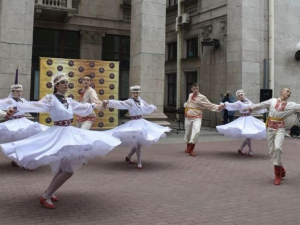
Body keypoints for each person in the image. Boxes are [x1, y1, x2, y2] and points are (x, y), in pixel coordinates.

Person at [0, 72, 121, 209]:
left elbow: (83, 108)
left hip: (69, 133)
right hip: (58, 133)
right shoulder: (50, 99)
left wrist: (98, 105)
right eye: (63, 82)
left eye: (67, 82)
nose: (66, 84)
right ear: (56, 85)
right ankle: (46, 197)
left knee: (64, 168)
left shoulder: (68, 101)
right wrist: (14, 108)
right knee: (68, 170)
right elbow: (34, 106)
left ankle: (49, 192)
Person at [103, 85, 171, 170]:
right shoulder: (130, 101)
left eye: (137, 93)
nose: (136, 94)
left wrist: (153, 108)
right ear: (131, 93)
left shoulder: (140, 101)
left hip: (141, 122)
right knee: (138, 144)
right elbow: (120, 103)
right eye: (134, 93)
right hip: (134, 124)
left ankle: (128, 157)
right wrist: (108, 102)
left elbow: (147, 107)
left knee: (138, 143)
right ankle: (139, 163)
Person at [244, 87, 300, 185]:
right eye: (287, 91)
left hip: (280, 129)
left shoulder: (292, 105)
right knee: (271, 151)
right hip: (269, 128)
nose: (289, 93)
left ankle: (277, 174)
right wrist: (251, 108)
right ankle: (281, 168)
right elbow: (261, 105)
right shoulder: (272, 101)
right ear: (281, 92)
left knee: (277, 148)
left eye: (290, 92)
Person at [0, 81, 48, 167]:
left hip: (23, 121)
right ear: (13, 92)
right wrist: (4, 114)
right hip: (13, 122)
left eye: (20, 91)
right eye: (17, 91)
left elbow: (32, 107)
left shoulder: (23, 100)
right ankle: (16, 158)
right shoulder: (9, 101)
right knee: (16, 141)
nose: (19, 93)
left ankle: (22, 159)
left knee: (25, 140)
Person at [216, 90, 267, 156]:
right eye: (239, 96)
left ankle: (241, 149)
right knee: (248, 135)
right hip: (243, 119)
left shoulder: (248, 101)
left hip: (249, 119)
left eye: (241, 95)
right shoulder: (238, 103)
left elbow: (254, 106)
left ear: (244, 95)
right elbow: (232, 105)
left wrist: (262, 109)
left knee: (249, 135)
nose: (240, 96)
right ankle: (250, 150)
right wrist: (224, 104)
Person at [184, 83, 224, 157]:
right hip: (188, 116)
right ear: (191, 89)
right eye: (194, 89)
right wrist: (186, 105)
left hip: (197, 117)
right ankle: (187, 147)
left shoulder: (202, 97)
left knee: (196, 131)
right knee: (188, 132)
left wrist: (218, 107)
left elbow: (209, 105)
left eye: (197, 89)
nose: (196, 90)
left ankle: (191, 149)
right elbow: (188, 102)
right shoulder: (190, 95)